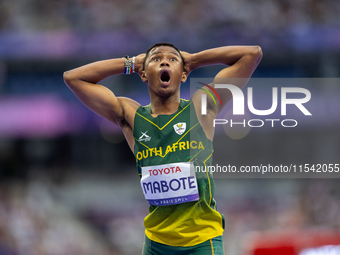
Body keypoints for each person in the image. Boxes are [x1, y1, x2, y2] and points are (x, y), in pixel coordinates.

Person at [63, 42, 262, 255]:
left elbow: (252, 54)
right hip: (156, 244)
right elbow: (73, 78)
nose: (165, 61)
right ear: (144, 74)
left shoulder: (201, 107)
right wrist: (131, 63)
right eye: (156, 59)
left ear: (183, 74)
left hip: (202, 241)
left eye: (173, 59)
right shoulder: (132, 115)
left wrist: (194, 60)